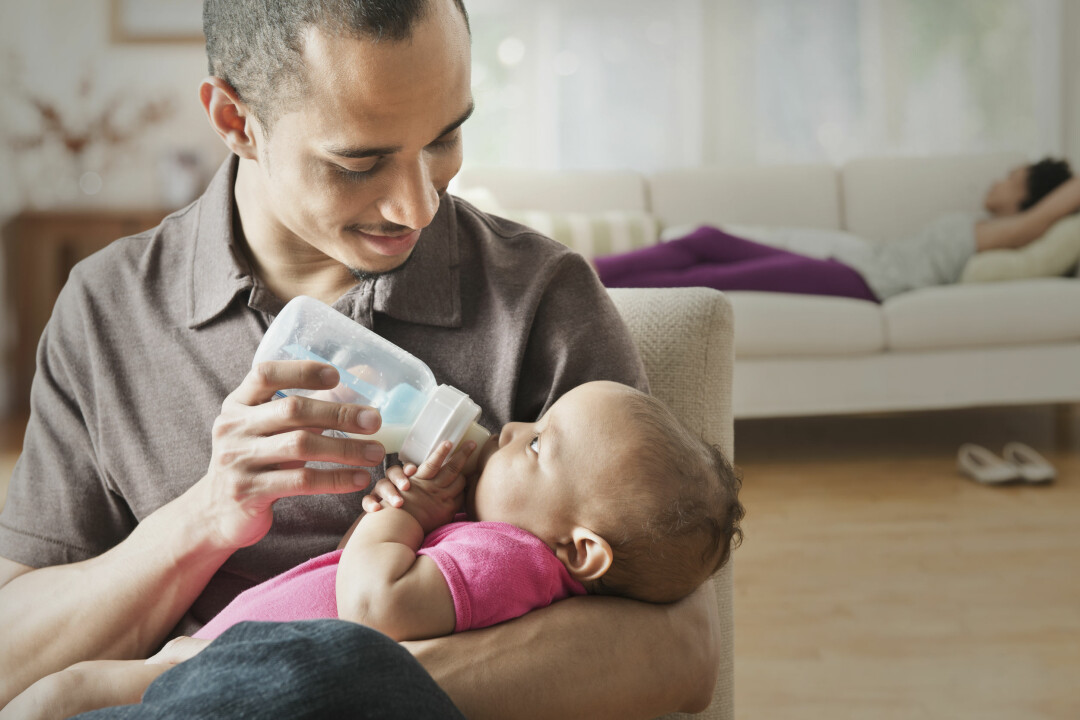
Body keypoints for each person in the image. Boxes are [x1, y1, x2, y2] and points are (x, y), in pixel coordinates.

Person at [0, 1, 724, 717]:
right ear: (235, 121)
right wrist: (208, 515)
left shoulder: (540, 298)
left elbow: (681, 652)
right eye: (359, 161)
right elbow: (13, 659)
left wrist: (313, 684)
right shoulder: (108, 308)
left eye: (444, 138)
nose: (416, 207)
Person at [5, 381, 744, 718]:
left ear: (580, 551)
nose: (514, 429)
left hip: (235, 672)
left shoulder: (510, 559)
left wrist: (409, 513)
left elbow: (375, 605)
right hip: (216, 657)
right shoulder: (511, 555)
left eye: (541, 444)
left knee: (62, 699)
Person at [596, 158, 1080, 302]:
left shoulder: (1005, 232)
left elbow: (1047, 216)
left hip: (863, 281)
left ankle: (587, 281)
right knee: (705, 240)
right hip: (851, 266)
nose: (997, 177)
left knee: (705, 274)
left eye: (1012, 176)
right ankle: (586, 268)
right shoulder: (982, 226)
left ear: (1026, 196)